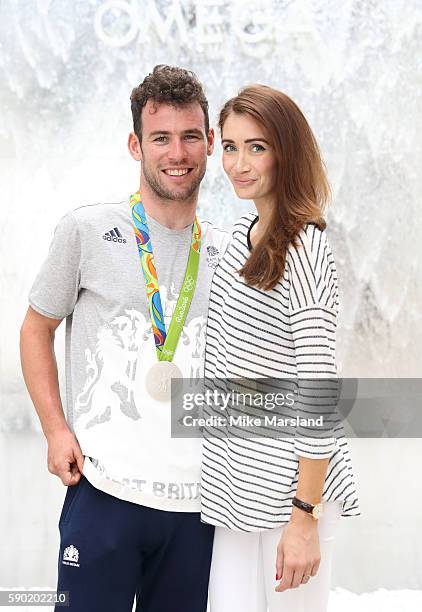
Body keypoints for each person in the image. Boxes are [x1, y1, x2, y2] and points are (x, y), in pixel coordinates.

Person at [20, 64, 228, 612]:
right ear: (136, 145)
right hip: (103, 492)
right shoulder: (86, 231)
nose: (176, 152)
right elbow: (36, 328)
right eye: (160, 137)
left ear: (209, 143)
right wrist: (54, 429)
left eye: (189, 137)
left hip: (197, 507)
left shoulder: (231, 251)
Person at [200, 85, 360, 612]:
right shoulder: (246, 234)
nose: (238, 164)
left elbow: (318, 391)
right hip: (238, 492)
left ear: (286, 152)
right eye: (229, 146)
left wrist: (304, 516)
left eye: (256, 147)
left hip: (291, 497)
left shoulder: (306, 248)